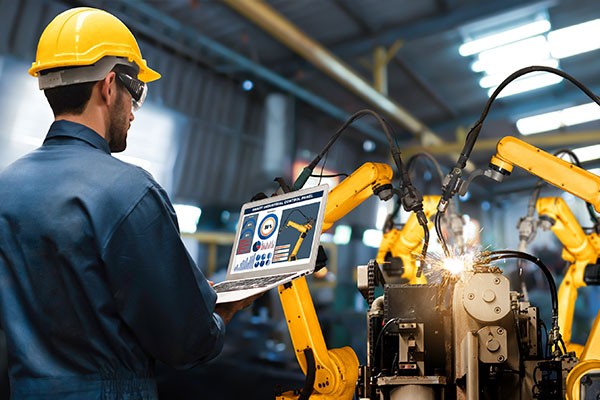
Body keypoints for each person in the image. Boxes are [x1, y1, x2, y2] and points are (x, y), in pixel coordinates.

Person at [0, 7, 257, 399]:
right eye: (135, 90)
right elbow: (186, 343)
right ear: (108, 86)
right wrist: (223, 312)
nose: (135, 110)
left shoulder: (6, 187)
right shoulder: (129, 191)